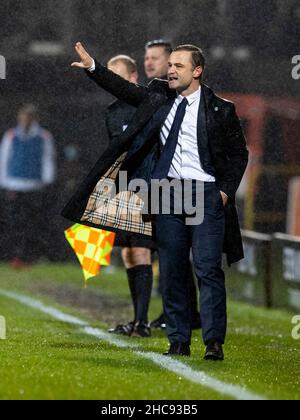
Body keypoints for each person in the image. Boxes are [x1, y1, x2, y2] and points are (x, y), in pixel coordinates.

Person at [62, 42, 248, 360]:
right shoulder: (159, 96)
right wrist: (94, 67)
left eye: (178, 66)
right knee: (173, 270)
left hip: (205, 195)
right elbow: (124, 88)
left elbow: (238, 156)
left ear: (197, 71)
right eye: (170, 65)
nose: (170, 70)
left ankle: (213, 340)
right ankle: (178, 340)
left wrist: (225, 191)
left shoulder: (221, 109)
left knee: (207, 270)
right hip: (165, 193)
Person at [144, 40, 201, 331]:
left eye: (157, 58)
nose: (150, 63)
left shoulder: (188, 98)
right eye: (147, 58)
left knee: (179, 253)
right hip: (157, 182)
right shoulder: (154, 95)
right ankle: (178, 313)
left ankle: (185, 314)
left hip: (186, 185)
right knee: (164, 251)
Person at [105, 55, 154, 338]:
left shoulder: (145, 104)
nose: (111, 82)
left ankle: (144, 322)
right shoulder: (111, 111)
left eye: (116, 76)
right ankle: (137, 320)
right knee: (127, 253)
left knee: (142, 249)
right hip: (122, 188)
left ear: (133, 77)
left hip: (147, 188)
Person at [0, 104, 56, 266]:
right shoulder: (11, 136)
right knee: (15, 222)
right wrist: (5, 182)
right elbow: (4, 159)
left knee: (33, 222)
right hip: (15, 184)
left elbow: (47, 159)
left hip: (34, 185)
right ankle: (14, 255)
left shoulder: (44, 136)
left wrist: (47, 180)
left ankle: (30, 256)